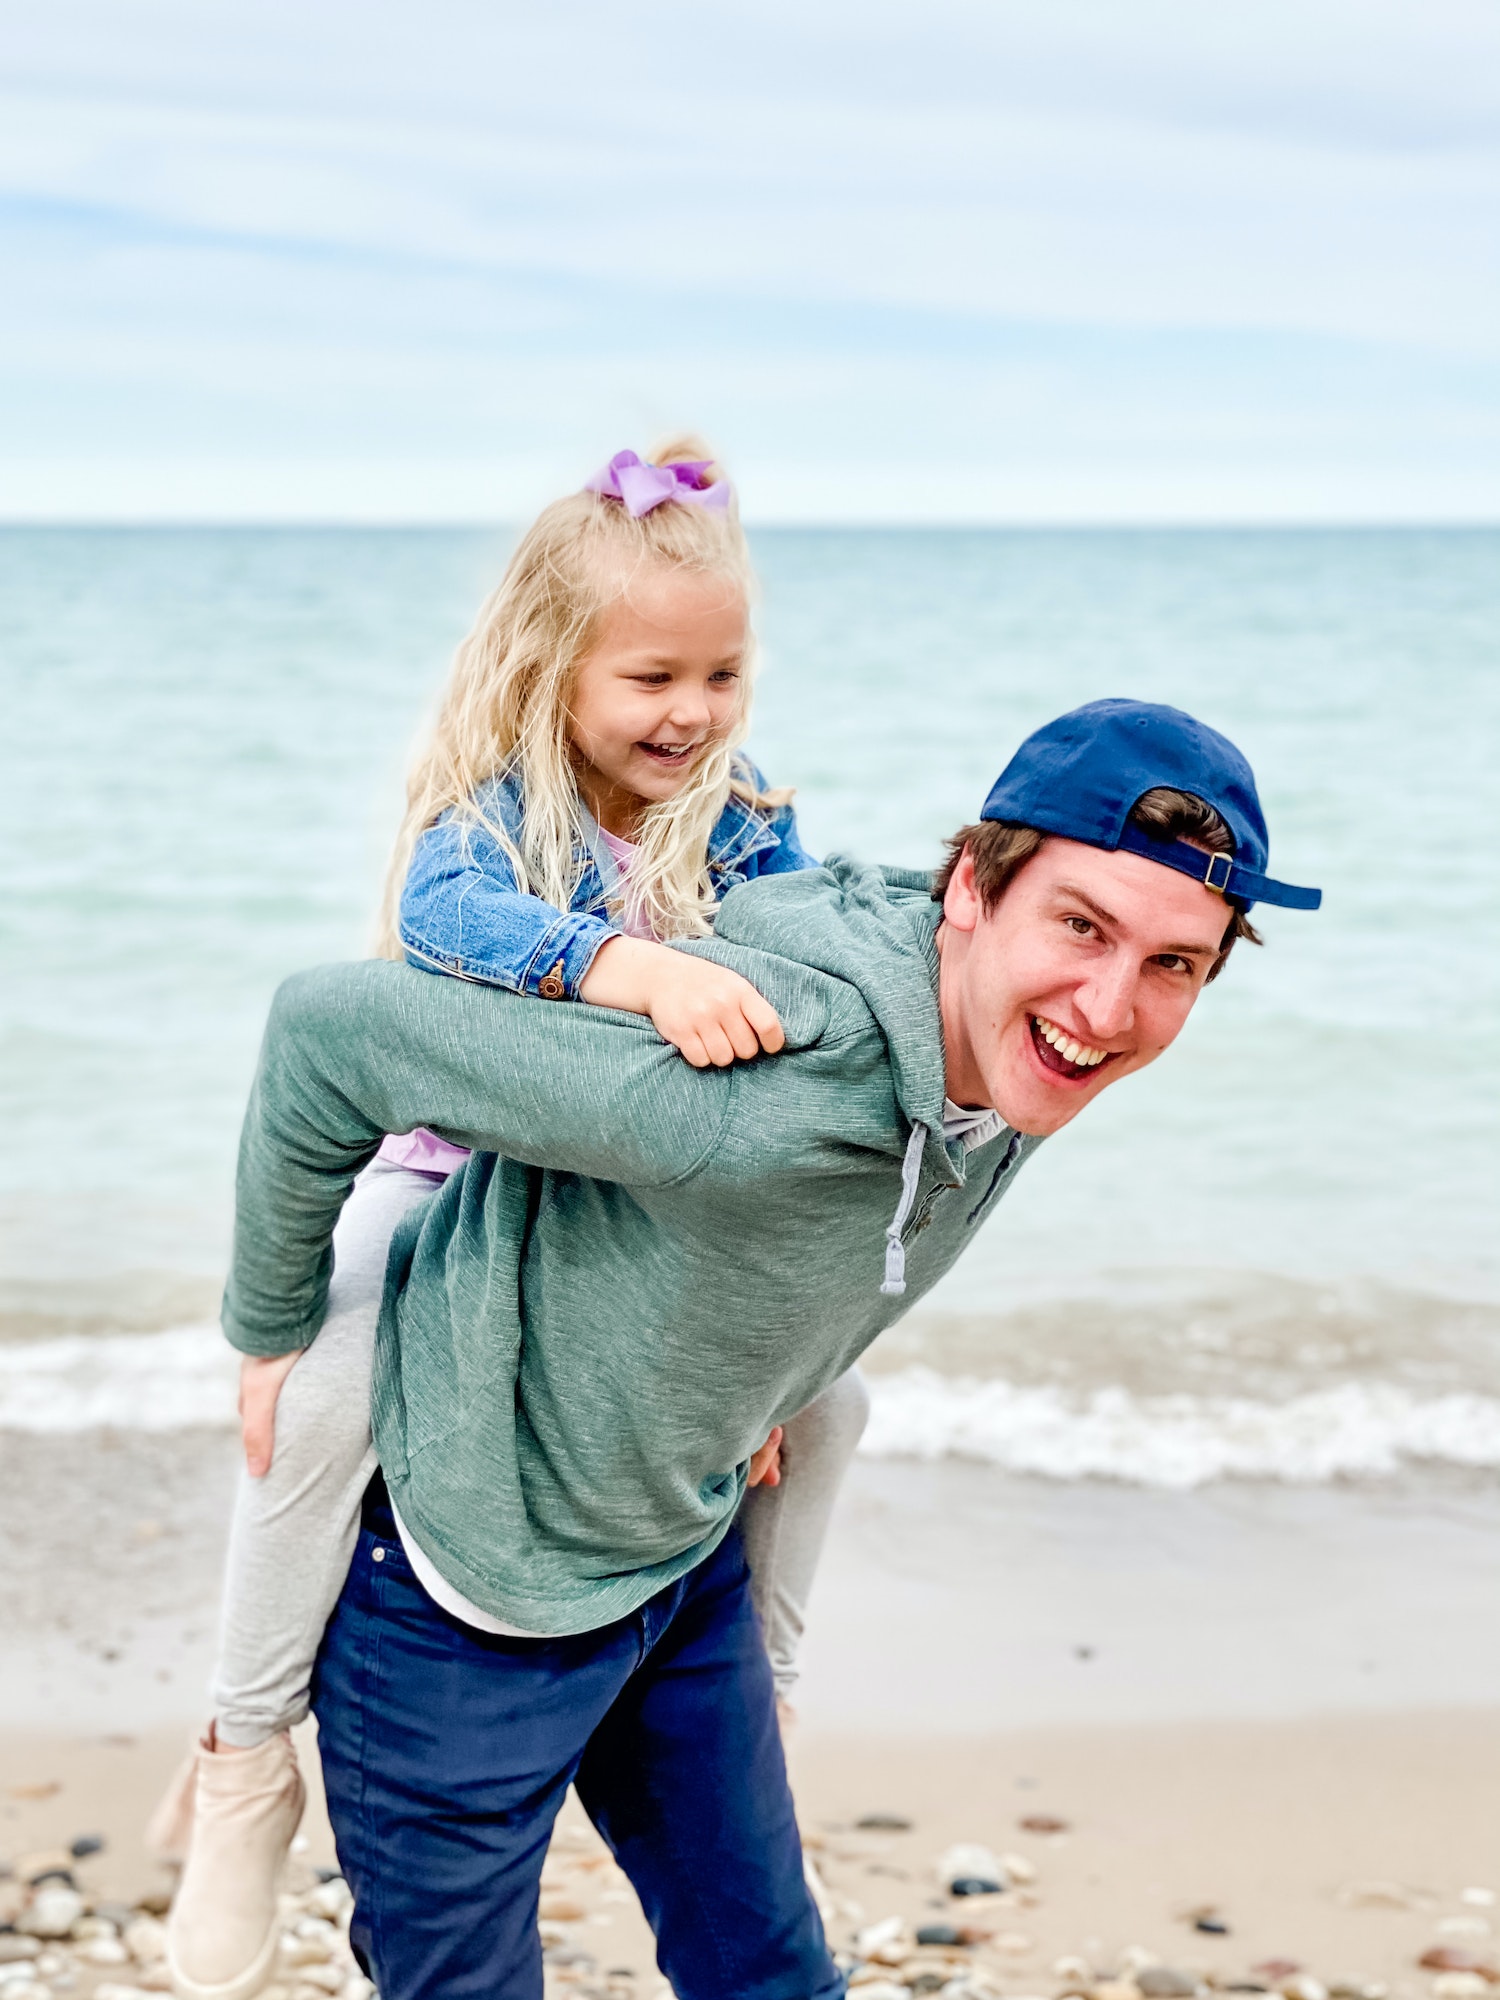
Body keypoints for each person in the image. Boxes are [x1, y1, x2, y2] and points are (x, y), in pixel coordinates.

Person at [211, 697, 1320, 2000]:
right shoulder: (743, 1079)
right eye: (1079, 926)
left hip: (682, 1573)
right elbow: (328, 1034)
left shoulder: (1016, 1061)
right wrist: (275, 1324)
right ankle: (232, 1753)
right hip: (463, 1599)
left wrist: (766, 1377)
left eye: (1173, 965)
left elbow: (825, 1252)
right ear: (971, 886)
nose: (1107, 1007)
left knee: (775, 1978)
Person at [157, 442, 871, 2000]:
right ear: (558, 669)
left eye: (725, 673)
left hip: (629, 1198)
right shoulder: (497, 814)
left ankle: (771, 1696)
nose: (692, 711)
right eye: (654, 677)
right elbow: (440, 925)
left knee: (837, 1399)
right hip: (445, 1170)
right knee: (327, 1385)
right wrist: (639, 973)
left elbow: (805, 956)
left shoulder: (744, 815)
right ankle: (240, 1749)